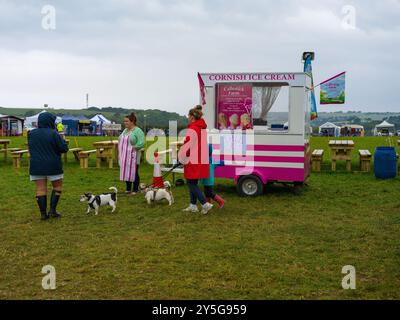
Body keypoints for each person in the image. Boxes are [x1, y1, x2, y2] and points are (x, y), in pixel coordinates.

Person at [28, 112, 69, 221]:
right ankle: (52, 211)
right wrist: (63, 140)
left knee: (40, 189)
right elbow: (64, 148)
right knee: (57, 187)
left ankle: (43, 214)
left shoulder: (31, 133)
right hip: (53, 164)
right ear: (50, 121)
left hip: (36, 165)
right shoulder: (54, 133)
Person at [179, 105, 213, 214]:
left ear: (192, 117)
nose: (187, 118)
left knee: (191, 183)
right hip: (200, 159)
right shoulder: (201, 128)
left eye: (188, 116)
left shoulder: (193, 128)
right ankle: (193, 205)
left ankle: (204, 203)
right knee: (193, 182)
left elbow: (188, 145)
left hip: (193, 159)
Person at [118, 112, 145, 195]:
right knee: (126, 171)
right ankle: (128, 188)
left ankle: (135, 189)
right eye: (124, 121)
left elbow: (141, 143)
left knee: (134, 172)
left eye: (127, 121)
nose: (125, 123)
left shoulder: (138, 131)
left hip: (133, 156)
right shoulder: (125, 131)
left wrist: (133, 148)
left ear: (132, 121)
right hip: (124, 155)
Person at [200, 144, 225, 208]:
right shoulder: (213, 160)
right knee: (207, 192)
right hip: (209, 179)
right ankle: (208, 204)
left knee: (209, 193)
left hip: (207, 180)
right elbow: (222, 162)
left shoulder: (203, 160)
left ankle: (221, 201)